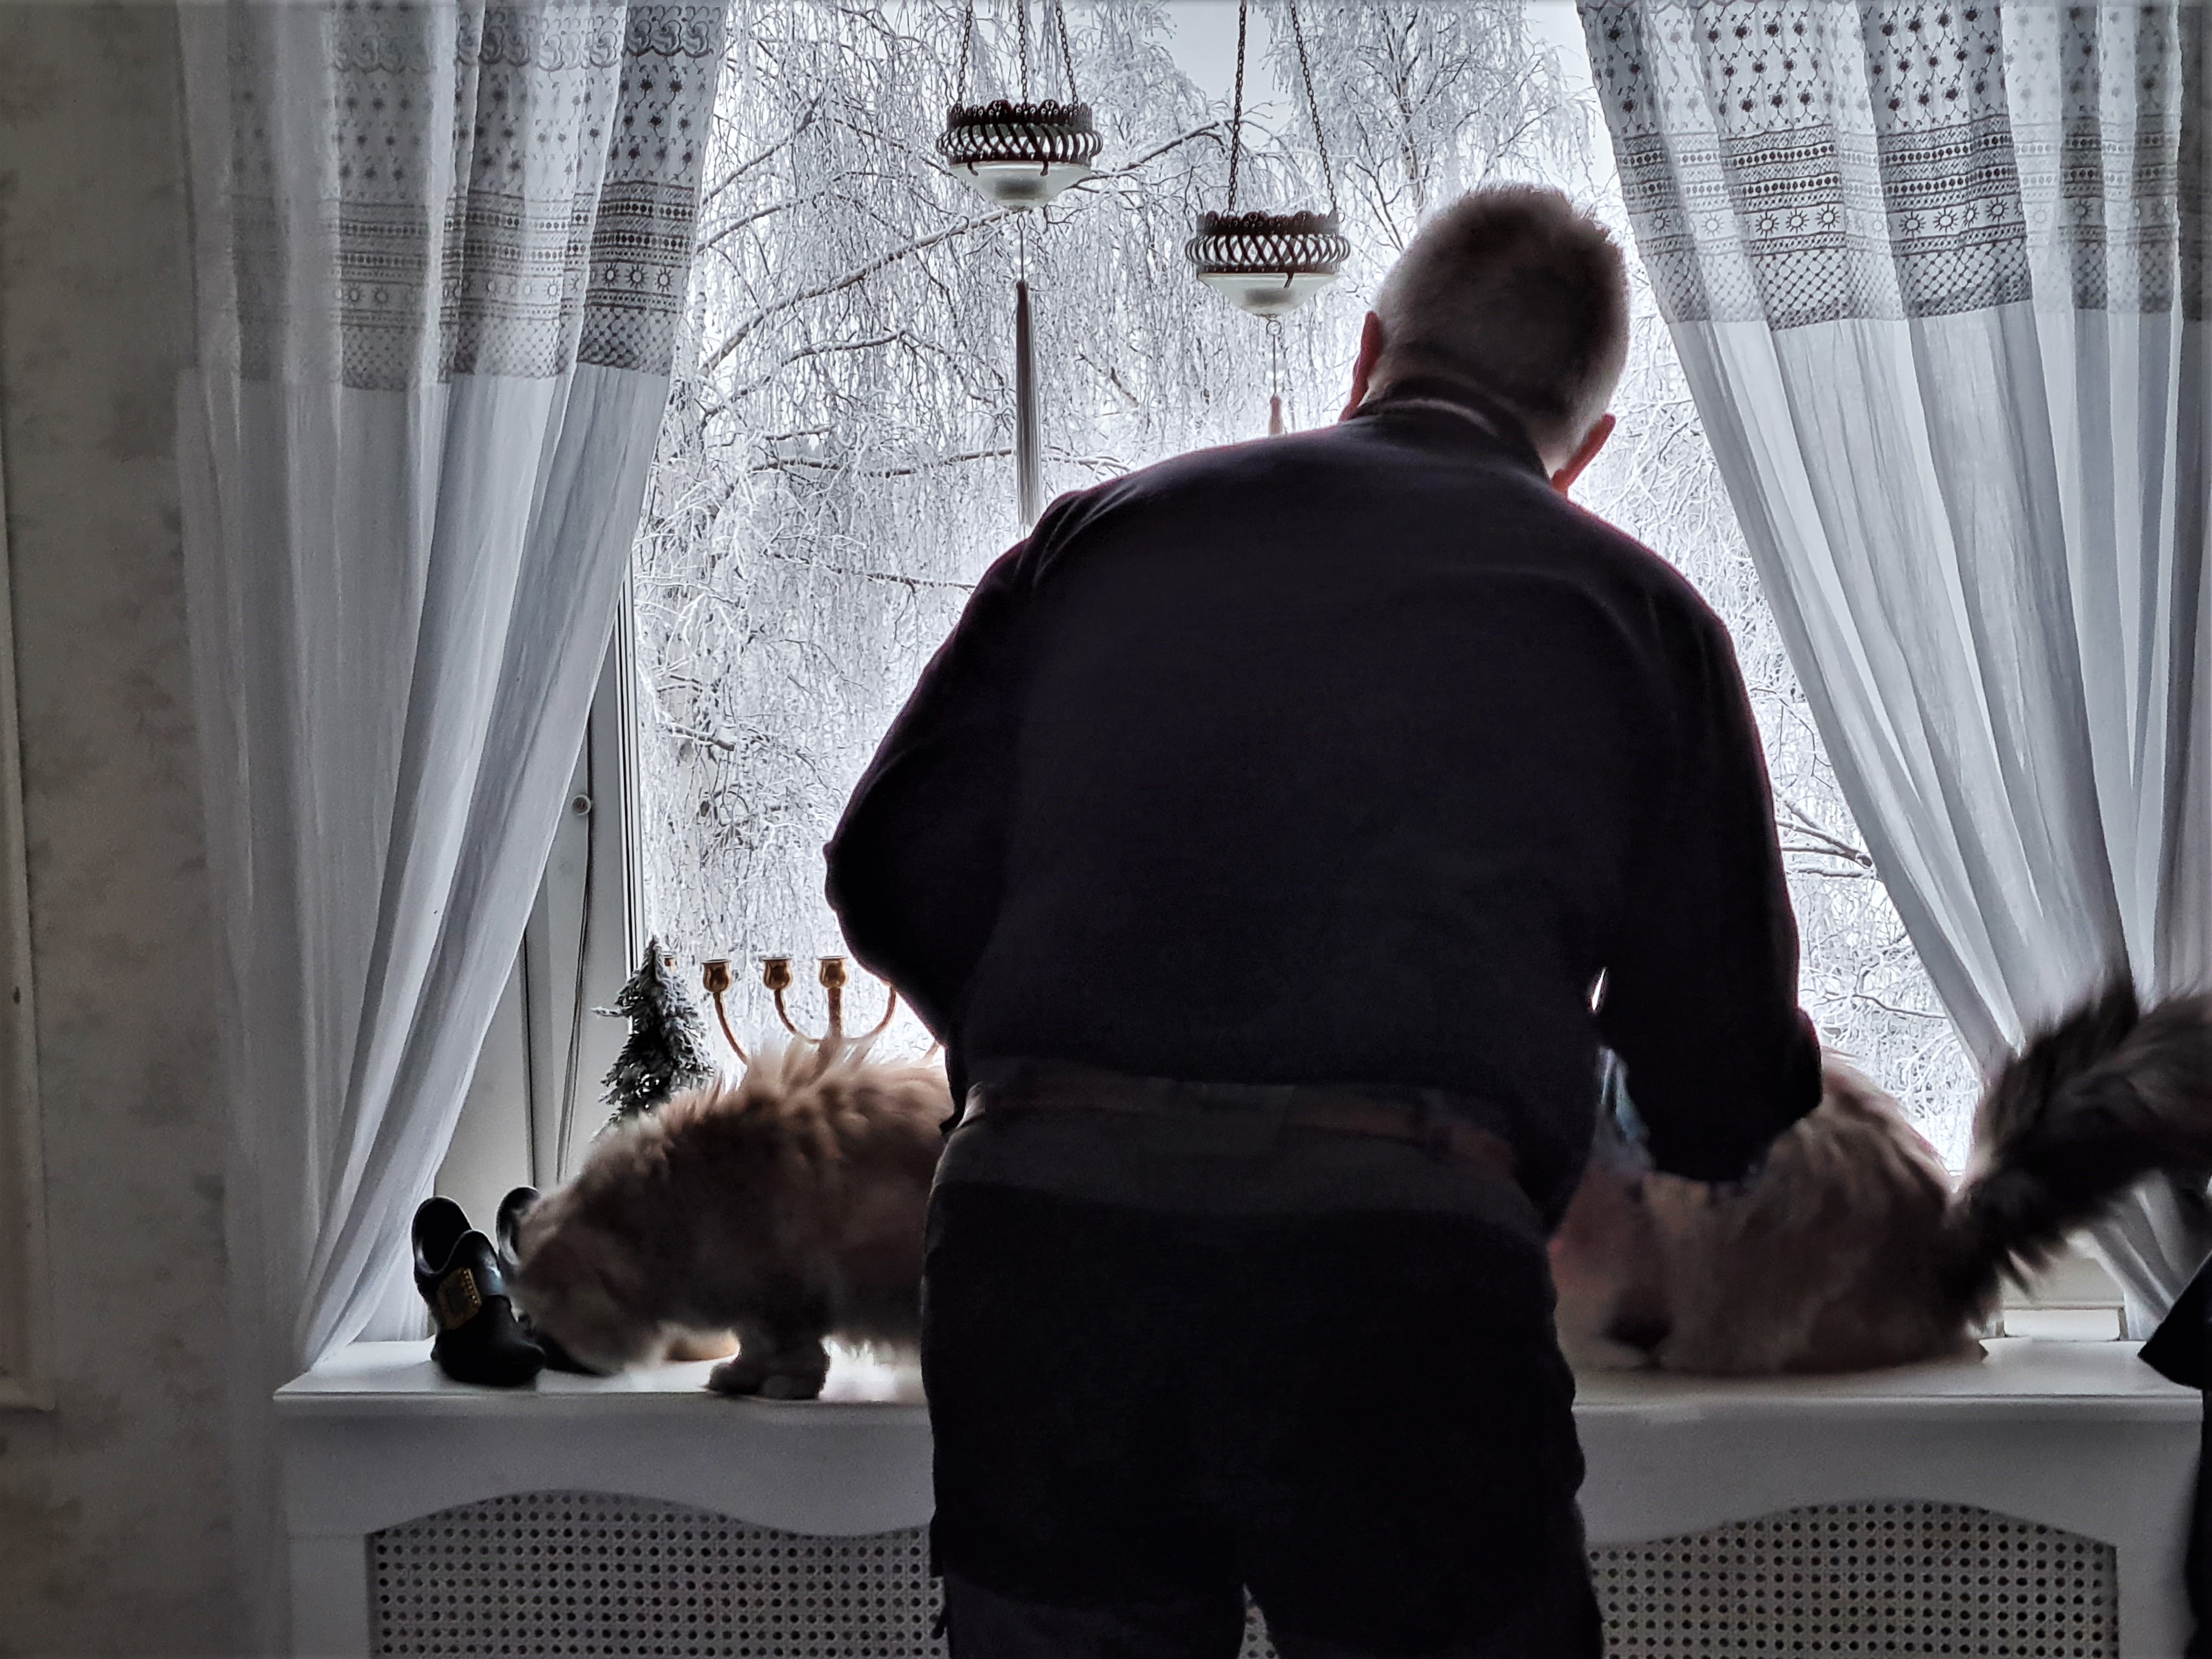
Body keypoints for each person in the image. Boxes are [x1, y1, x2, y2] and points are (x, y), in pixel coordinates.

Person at [826, 184, 1822, 1659]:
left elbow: (885, 861)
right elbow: (1718, 1071)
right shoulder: (1643, 622)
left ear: (1367, 350)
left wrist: (1063, 1066)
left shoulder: (1100, 535)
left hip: (1045, 1254)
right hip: (1400, 1272)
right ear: (1586, 448)